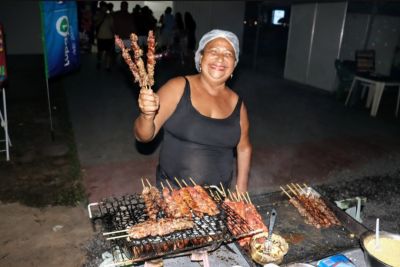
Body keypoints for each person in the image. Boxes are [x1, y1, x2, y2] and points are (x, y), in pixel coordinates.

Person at [134, 29, 252, 193]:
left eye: (228, 54)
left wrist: (241, 189)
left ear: (234, 64)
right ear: (200, 57)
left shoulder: (238, 104)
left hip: (218, 197)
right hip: (174, 196)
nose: (220, 58)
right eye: (213, 51)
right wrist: (147, 116)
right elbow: (143, 136)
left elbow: (244, 147)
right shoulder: (177, 87)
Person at [94, 1, 114, 70]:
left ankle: (107, 66)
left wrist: (114, 35)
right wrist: (101, 18)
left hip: (109, 37)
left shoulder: (110, 16)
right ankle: (99, 62)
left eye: (106, 7)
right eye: (103, 7)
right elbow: (95, 25)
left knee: (108, 52)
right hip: (100, 36)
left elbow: (112, 27)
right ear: (101, 7)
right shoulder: (97, 14)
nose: (105, 9)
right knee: (100, 52)